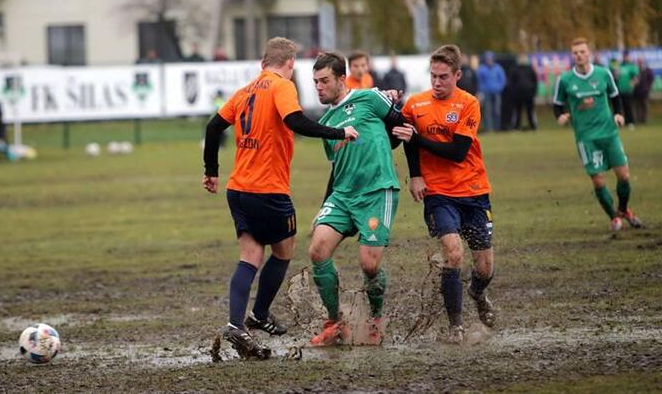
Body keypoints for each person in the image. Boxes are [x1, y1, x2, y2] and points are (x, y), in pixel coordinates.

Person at [202, 37, 359, 359]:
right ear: (289, 65)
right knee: (284, 250)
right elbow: (295, 121)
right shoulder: (282, 86)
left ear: (262, 64)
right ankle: (258, 314)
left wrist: (211, 170)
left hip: (239, 189)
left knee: (250, 255)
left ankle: (236, 324)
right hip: (268, 189)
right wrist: (339, 132)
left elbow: (213, 126)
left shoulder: (246, 90)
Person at [393, 44, 497, 344]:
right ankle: (456, 327)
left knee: (485, 267)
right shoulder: (415, 105)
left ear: (457, 75)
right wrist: (415, 175)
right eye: (433, 76)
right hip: (438, 193)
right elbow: (406, 140)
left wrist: (418, 138)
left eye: (443, 77)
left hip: (474, 191)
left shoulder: (468, 104)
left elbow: (458, 151)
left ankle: (477, 293)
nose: (437, 83)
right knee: (453, 253)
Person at [307, 52, 404, 346]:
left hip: (377, 190)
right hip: (343, 195)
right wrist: (324, 205)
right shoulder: (326, 122)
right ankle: (336, 323)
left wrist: (411, 168)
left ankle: (375, 320)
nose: (319, 87)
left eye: (324, 81)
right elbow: (336, 169)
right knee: (318, 249)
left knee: (369, 265)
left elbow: (402, 126)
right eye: (315, 82)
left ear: (341, 79)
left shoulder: (369, 98)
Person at [553, 38, 642, 231]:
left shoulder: (603, 74)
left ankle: (624, 210)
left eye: (582, 51)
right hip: (586, 138)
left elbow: (615, 96)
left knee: (624, 176)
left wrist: (618, 114)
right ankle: (614, 217)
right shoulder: (566, 79)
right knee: (598, 179)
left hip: (609, 133)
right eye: (575, 52)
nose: (579, 55)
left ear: (589, 53)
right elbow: (557, 104)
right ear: (572, 55)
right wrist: (560, 116)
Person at [476, 51, 506, 132]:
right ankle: (488, 129)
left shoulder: (498, 68)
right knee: (487, 111)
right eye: (487, 59)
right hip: (486, 93)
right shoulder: (481, 69)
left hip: (496, 92)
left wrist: (499, 88)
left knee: (497, 110)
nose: (489, 60)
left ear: (493, 59)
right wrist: (482, 90)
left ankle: (497, 129)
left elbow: (502, 80)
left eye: (490, 59)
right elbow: (479, 81)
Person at [509, 54, 538, 130]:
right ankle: (516, 127)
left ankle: (533, 126)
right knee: (518, 112)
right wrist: (514, 92)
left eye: (524, 58)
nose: (522, 60)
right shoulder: (515, 69)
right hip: (518, 95)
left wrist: (533, 91)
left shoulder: (530, 68)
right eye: (521, 58)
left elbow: (535, 81)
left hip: (529, 94)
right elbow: (511, 82)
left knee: (530, 111)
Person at [617, 51, 639, 128]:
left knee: (628, 106)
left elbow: (636, 78)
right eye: (624, 56)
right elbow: (616, 76)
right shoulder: (620, 66)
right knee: (621, 107)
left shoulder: (632, 66)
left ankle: (631, 122)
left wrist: (632, 83)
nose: (625, 57)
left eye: (627, 56)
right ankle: (624, 122)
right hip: (620, 89)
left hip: (628, 90)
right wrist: (617, 74)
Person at [634, 58, 653, 124]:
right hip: (637, 91)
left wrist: (648, 88)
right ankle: (638, 119)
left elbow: (651, 79)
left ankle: (645, 119)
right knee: (637, 106)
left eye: (640, 62)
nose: (639, 63)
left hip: (645, 91)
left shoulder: (647, 70)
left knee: (645, 106)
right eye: (638, 62)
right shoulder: (635, 70)